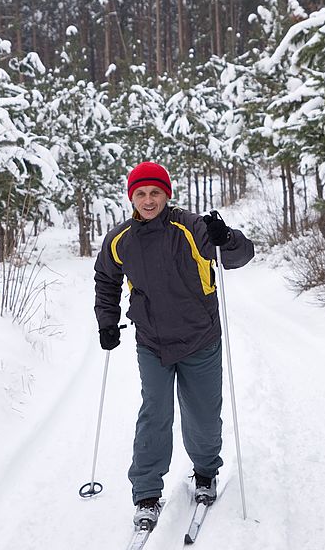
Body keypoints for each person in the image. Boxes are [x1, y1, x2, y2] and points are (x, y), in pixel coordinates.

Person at [94, 161, 254, 530]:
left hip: (199, 337)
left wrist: (225, 237)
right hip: (151, 342)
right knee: (155, 414)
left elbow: (240, 256)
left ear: (167, 194)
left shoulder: (193, 226)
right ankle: (146, 493)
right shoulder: (121, 238)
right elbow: (106, 279)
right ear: (131, 198)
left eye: (155, 193)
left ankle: (204, 473)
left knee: (202, 413)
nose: (148, 201)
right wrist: (107, 321)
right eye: (141, 194)